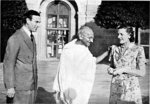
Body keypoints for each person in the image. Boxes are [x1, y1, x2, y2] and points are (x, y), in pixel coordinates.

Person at [53, 26, 108, 104]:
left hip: (79, 88)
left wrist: (107, 53)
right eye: (89, 38)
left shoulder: (84, 49)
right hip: (68, 86)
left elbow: (92, 61)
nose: (91, 41)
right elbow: (63, 70)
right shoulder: (69, 48)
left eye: (92, 38)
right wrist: (62, 88)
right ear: (81, 36)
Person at [3, 10, 41, 104]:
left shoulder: (31, 37)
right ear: (28, 20)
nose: (38, 25)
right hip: (20, 89)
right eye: (36, 22)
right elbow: (8, 64)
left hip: (31, 87)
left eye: (39, 22)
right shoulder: (16, 38)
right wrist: (10, 87)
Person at [107, 26, 146, 104]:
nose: (118, 37)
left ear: (129, 35)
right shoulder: (114, 49)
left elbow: (142, 73)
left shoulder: (138, 49)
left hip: (130, 89)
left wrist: (124, 70)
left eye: (121, 34)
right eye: (118, 34)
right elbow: (112, 66)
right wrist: (109, 69)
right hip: (115, 88)